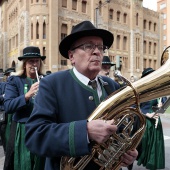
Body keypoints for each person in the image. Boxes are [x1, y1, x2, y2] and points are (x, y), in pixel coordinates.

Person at [25, 21, 138, 170]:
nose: (97, 52)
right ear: (71, 56)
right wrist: (85, 131)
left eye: (100, 47)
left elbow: (123, 130)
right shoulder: (52, 84)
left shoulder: (112, 85)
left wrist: (127, 152)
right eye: (89, 46)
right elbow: (35, 136)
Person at [4, 46, 46, 170]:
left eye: (36, 61)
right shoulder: (15, 80)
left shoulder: (46, 80)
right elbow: (8, 106)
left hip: (42, 127)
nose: (34, 64)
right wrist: (27, 95)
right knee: (24, 164)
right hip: (23, 129)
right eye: (30, 61)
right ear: (24, 64)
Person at [137, 67, 165, 170]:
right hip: (146, 121)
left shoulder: (159, 91)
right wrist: (147, 114)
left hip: (156, 122)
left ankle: (153, 165)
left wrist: (161, 107)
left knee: (155, 146)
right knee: (145, 146)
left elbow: (163, 109)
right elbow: (135, 107)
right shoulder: (141, 91)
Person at [0, 67, 15, 153]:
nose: (10, 77)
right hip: (3, 113)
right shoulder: (2, 85)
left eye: (12, 75)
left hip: (13, 114)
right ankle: (7, 151)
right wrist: (3, 96)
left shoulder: (17, 84)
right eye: (8, 75)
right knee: (4, 132)